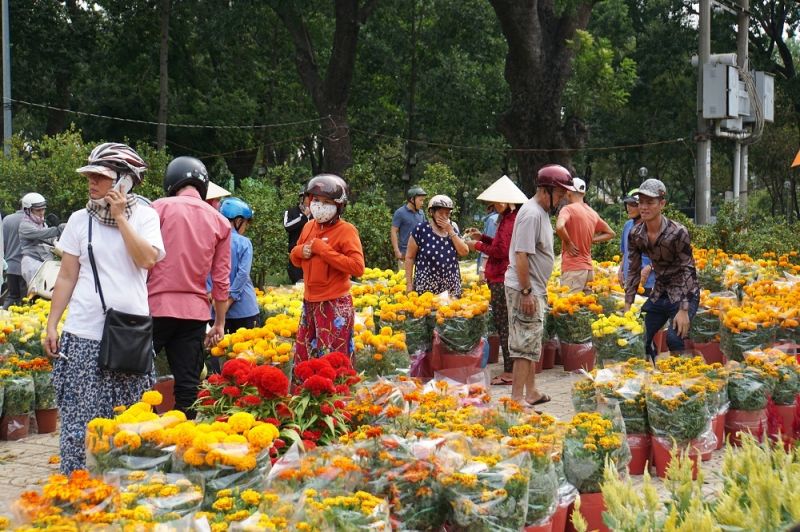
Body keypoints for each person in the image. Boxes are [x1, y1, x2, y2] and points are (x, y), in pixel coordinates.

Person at [43, 142, 165, 474]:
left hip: (129, 335)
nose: (92, 183)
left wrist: (121, 218)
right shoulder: (79, 220)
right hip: (83, 333)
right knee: (79, 422)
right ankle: (79, 490)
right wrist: (53, 323)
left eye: (101, 177)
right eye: (90, 176)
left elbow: (147, 259)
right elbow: (67, 276)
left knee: (128, 421)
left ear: (124, 182)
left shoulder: (146, 216)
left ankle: (124, 492)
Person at [148, 156, 232, 418]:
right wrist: (219, 322)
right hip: (194, 314)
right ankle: (182, 443)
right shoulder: (220, 222)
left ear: (171, 182)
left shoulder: (157, 208)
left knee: (137, 376)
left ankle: (138, 438)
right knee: (188, 385)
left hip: (153, 307)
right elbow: (221, 280)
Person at [505, 164, 572, 407]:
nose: (564, 198)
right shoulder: (532, 213)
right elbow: (521, 254)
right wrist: (526, 291)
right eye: (561, 193)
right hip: (525, 288)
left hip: (534, 287)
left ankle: (531, 391)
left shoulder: (540, 212)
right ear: (547, 190)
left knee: (531, 341)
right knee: (524, 344)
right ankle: (516, 400)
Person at [290, 174, 365, 362]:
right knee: (306, 358)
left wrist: (324, 251)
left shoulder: (346, 230)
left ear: (339, 205)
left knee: (332, 361)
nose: (319, 205)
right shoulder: (308, 227)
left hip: (334, 305)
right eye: (316, 200)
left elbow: (357, 267)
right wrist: (299, 251)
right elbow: (296, 259)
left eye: (326, 201)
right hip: (310, 303)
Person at [623, 179, 700, 361]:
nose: (644, 207)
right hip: (660, 292)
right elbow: (633, 270)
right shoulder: (636, 234)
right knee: (637, 337)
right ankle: (646, 379)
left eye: (650, 202)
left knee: (674, 339)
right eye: (641, 202)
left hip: (684, 292)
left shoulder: (678, 232)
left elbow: (688, 271)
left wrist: (683, 309)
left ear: (662, 204)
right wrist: (628, 306)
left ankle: (683, 379)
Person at [465, 175, 528, 386]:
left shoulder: (511, 220)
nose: (494, 206)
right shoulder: (507, 218)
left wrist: (478, 247)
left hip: (502, 277)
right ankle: (510, 368)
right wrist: (481, 237)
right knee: (505, 324)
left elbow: (501, 251)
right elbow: (500, 244)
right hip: (499, 276)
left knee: (505, 325)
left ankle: (510, 372)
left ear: (504, 202)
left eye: (496, 203)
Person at [206, 197, 260, 373]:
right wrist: (229, 299)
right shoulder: (244, 243)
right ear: (238, 221)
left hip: (215, 309)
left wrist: (213, 295)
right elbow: (243, 274)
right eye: (245, 224)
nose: (245, 228)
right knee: (246, 357)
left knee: (217, 355)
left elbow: (205, 271)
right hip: (244, 309)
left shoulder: (211, 240)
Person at [555, 177, 615, 293]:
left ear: (569, 192)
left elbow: (559, 226)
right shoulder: (592, 213)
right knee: (586, 308)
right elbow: (611, 233)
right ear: (584, 193)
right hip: (588, 270)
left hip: (573, 269)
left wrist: (568, 242)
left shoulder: (567, 209)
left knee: (569, 307)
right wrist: (591, 239)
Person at [405, 195, 469, 298]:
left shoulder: (452, 230)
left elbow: (464, 252)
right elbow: (409, 257)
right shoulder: (420, 230)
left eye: (447, 214)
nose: (444, 217)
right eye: (440, 213)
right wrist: (409, 283)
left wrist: (450, 231)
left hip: (450, 289)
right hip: (426, 290)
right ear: (431, 213)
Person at [19, 193, 64, 286]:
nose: (41, 212)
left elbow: (50, 239)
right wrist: (59, 229)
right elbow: (41, 234)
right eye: (38, 210)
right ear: (27, 210)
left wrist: (56, 240)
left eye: (43, 209)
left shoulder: (41, 223)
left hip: (45, 263)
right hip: (32, 262)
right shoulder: (25, 226)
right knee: (36, 294)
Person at [618, 188, 655, 295]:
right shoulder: (627, 226)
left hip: (647, 284)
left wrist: (649, 268)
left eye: (633, 204)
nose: (628, 208)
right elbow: (625, 252)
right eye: (627, 204)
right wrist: (620, 270)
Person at [392, 186, 427, 271]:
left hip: (419, 254)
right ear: (412, 200)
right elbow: (393, 231)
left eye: (423, 200)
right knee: (404, 282)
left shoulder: (421, 213)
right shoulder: (400, 212)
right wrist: (397, 251)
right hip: (405, 254)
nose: (422, 203)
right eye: (420, 200)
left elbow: (425, 231)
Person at [2, 200, 26, 307]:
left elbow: (3, 243)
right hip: (26, 267)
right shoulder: (34, 220)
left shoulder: (7, 219)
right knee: (25, 299)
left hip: (10, 266)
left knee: (12, 295)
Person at [284, 189, 310, 283]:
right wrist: (303, 216)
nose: (310, 200)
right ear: (301, 199)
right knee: (298, 282)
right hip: (296, 253)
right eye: (308, 197)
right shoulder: (291, 211)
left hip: (312, 254)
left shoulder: (317, 213)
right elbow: (287, 226)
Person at [476, 205, 499, 280]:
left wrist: (482, 269)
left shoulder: (492, 219)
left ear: (491, 208)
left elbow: (489, 245)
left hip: (491, 267)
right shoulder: (504, 217)